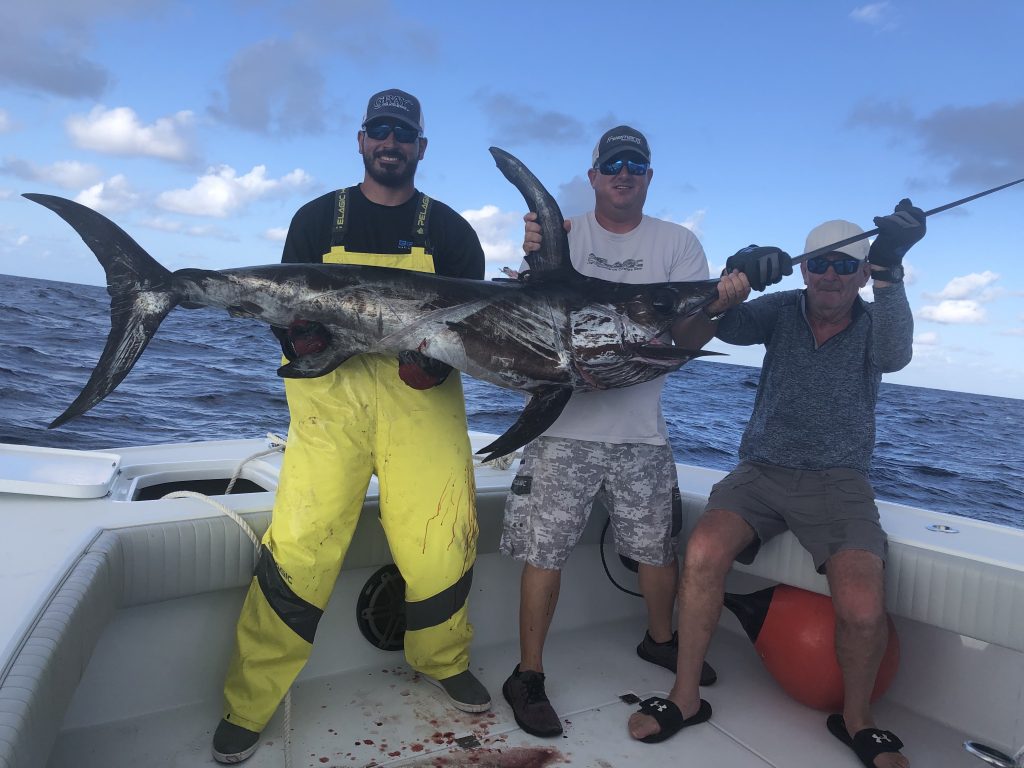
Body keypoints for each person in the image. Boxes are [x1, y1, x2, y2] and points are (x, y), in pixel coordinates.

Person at [212, 88, 490, 764]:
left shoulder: (452, 233)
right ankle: (251, 700)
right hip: (330, 407)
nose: (391, 143)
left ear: (421, 147)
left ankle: (442, 659)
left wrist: (435, 371)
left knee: (442, 544)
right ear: (361, 140)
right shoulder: (315, 219)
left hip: (418, 406)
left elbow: (470, 334)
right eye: (380, 131)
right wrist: (303, 341)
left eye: (403, 133)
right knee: (301, 546)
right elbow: (286, 313)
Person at [626, 200, 925, 768]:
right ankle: (685, 697)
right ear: (805, 270)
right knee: (703, 552)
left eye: (847, 266)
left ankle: (858, 719)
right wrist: (730, 280)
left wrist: (891, 268)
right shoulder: (783, 309)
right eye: (820, 265)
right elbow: (719, 327)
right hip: (759, 471)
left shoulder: (873, 321)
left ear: (862, 275)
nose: (831, 276)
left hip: (839, 483)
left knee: (863, 606)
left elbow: (896, 354)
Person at [498, 125, 772, 738]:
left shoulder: (678, 244)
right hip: (562, 426)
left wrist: (720, 304)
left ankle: (661, 641)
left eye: (638, 165)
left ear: (649, 178)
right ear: (593, 175)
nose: (625, 173)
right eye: (613, 163)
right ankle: (529, 674)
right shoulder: (563, 234)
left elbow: (685, 341)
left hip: (640, 432)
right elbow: (533, 321)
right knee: (546, 553)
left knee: (656, 550)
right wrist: (536, 245)